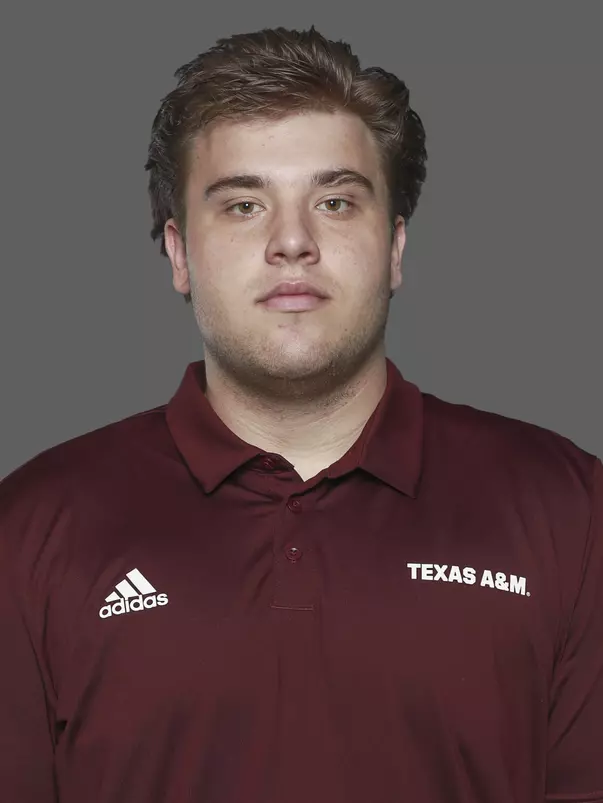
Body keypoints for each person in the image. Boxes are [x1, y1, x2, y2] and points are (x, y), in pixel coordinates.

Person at [0, 25, 601, 803]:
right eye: (244, 205)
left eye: (335, 201)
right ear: (179, 254)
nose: (292, 241)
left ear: (393, 246)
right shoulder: (31, 526)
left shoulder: (568, 507)